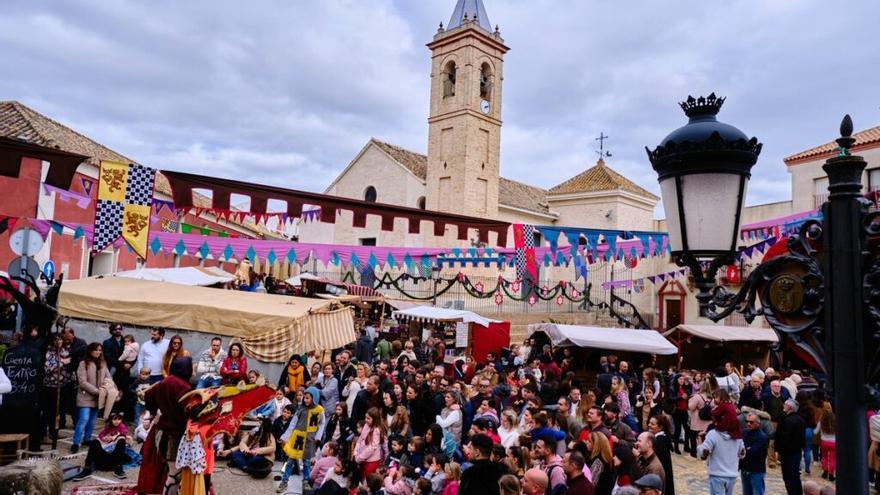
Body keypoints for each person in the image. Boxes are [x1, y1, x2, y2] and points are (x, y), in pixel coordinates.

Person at [137, 356, 193, 495]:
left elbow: (148, 394)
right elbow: (190, 410)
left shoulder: (164, 382)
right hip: (173, 435)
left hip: (161, 432)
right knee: (174, 475)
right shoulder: (184, 387)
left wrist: (154, 411)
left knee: (172, 472)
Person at [71, 342, 110, 453]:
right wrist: (96, 391)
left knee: (92, 421)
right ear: (90, 351)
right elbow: (82, 382)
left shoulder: (103, 363)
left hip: (98, 397)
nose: (98, 352)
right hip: (85, 396)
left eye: (100, 350)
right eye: (96, 350)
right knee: (83, 419)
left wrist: (109, 389)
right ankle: (75, 442)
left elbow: (108, 378)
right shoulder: (83, 363)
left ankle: (87, 439)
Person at [72, 412, 132, 480]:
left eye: (119, 419)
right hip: (102, 459)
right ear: (110, 420)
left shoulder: (122, 426)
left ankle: (118, 468)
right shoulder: (108, 427)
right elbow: (101, 434)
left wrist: (113, 438)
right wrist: (104, 438)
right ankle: (87, 469)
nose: (117, 421)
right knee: (95, 441)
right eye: (114, 419)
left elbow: (124, 433)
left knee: (121, 439)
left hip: (114, 460)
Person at [697, 414, 745, 495]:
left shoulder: (713, 434)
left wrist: (699, 446)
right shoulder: (737, 435)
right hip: (732, 474)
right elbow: (741, 454)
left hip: (717, 474)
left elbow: (703, 452)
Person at [775, 399, 806, 495]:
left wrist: (779, 450)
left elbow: (784, 438)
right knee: (795, 476)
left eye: (785, 405)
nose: (783, 406)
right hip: (797, 451)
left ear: (789, 407)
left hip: (788, 453)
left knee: (789, 477)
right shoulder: (800, 419)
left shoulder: (787, 421)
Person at [740, 412, 769, 495]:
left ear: (757, 423)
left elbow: (753, 452)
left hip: (756, 470)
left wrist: (745, 450)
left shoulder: (762, 437)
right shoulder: (744, 432)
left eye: (751, 422)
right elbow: (740, 448)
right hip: (745, 468)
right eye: (747, 421)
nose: (748, 424)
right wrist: (746, 449)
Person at [647, 415, 674, 495]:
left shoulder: (660, 441)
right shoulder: (660, 438)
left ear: (660, 427)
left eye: (652, 424)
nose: (649, 425)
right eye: (649, 423)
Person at [817, 409, 836, 481]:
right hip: (834, 442)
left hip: (824, 441)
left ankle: (825, 472)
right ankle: (831, 475)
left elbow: (816, 431)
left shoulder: (821, 422)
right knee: (833, 458)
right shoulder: (836, 422)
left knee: (824, 457)